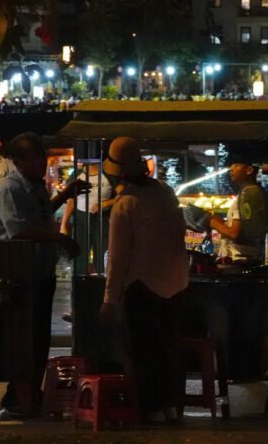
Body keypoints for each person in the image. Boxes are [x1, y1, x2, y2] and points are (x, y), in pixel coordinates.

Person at [0, 132, 84, 419]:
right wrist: (59, 240)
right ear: (19, 161)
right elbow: (19, 230)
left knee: (40, 337)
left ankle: (29, 391)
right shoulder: (9, 188)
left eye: (42, 156)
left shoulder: (36, 187)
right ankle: (17, 394)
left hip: (43, 271)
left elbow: (41, 216)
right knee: (24, 336)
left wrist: (66, 194)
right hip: (21, 274)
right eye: (34, 157)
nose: (41, 162)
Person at [98, 137, 189, 424]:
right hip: (176, 284)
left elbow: (118, 259)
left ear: (115, 172)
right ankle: (171, 408)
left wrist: (109, 301)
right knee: (167, 351)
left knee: (143, 353)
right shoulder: (165, 191)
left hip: (141, 287)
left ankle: (152, 411)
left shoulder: (124, 206)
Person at [210, 160, 268, 265]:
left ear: (249, 170)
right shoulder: (252, 193)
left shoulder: (248, 196)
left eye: (236, 165)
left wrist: (212, 221)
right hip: (247, 258)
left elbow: (234, 233)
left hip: (239, 260)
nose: (231, 168)